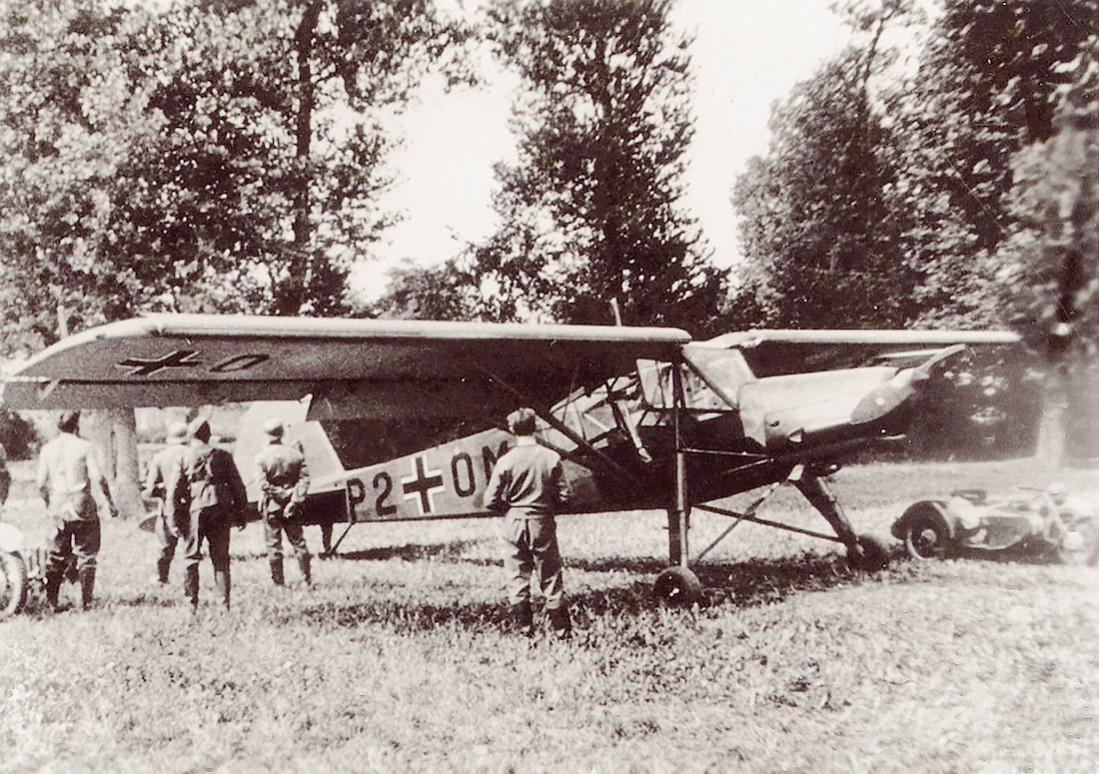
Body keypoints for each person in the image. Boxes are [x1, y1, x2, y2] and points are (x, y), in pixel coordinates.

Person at [484, 407, 572, 639]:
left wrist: (512, 510)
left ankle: (525, 633)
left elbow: (489, 500)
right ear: (535, 427)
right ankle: (562, 633)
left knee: (517, 577)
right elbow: (565, 496)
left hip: (513, 523)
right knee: (551, 578)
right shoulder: (551, 457)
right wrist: (546, 507)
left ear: (512, 430)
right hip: (541, 521)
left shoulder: (505, 460)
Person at [36, 410, 117, 611]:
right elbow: (98, 477)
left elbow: (40, 483)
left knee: (56, 555)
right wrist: (109, 502)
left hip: (58, 503)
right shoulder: (84, 447)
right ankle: (86, 603)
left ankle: (52, 601)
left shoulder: (47, 449)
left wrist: (48, 504)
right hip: (81, 502)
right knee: (87, 555)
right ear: (76, 424)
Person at [166, 418, 248, 612]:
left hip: (195, 509)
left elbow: (174, 492)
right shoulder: (223, 455)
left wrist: (173, 519)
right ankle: (223, 604)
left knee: (191, 558)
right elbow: (238, 486)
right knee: (221, 558)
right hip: (220, 507)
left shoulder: (184, 457)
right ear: (208, 436)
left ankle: (191, 604)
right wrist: (241, 512)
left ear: (191, 436)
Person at [254, 419, 312, 586]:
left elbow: (262, 484)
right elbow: (304, 481)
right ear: (282, 434)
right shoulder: (296, 455)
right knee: (299, 542)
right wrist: (293, 500)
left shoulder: (261, 457)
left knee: (274, 545)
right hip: (292, 505)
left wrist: (278, 493)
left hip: (272, 505)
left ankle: (278, 583)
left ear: (266, 435)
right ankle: (306, 580)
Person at [142, 421, 189, 585]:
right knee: (192, 547)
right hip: (193, 506)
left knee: (165, 546)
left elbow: (149, 491)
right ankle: (190, 580)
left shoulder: (160, 457)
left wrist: (162, 489)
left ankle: (162, 578)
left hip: (169, 508)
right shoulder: (193, 453)